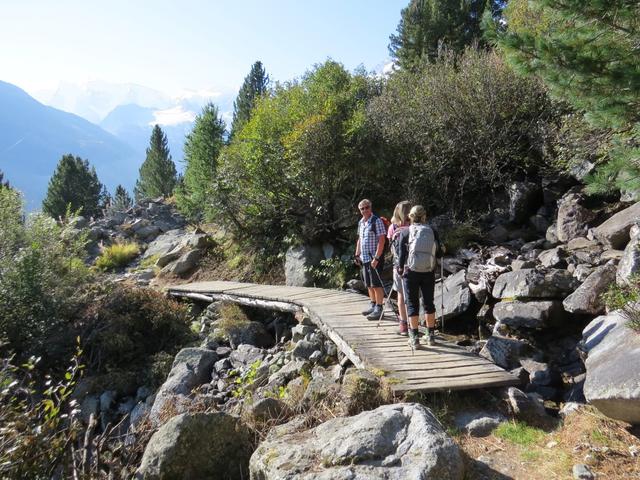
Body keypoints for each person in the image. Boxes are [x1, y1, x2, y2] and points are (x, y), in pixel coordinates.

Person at [397, 205, 441, 348]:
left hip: (411, 272)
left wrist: (399, 269)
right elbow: (439, 253)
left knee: (412, 303)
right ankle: (430, 336)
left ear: (410, 216)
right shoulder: (432, 231)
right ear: (424, 216)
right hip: (428, 271)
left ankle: (414, 338)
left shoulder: (405, 232)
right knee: (429, 303)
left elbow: (401, 256)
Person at [354, 199, 386, 320]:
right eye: (362, 209)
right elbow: (360, 240)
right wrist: (357, 254)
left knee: (376, 284)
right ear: (360, 210)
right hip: (364, 258)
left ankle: (379, 308)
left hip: (374, 258)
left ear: (370, 207)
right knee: (368, 284)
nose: (365, 210)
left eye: (366, 207)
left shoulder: (376, 221)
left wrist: (377, 257)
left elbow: (382, 240)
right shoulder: (361, 222)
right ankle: (372, 305)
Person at [388, 201, 412, 335]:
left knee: (401, 296)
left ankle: (403, 324)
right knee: (413, 295)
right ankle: (413, 323)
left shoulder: (392, 227)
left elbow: (392, 249)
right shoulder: (415, 226)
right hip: (414, 266)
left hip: (398, 266)